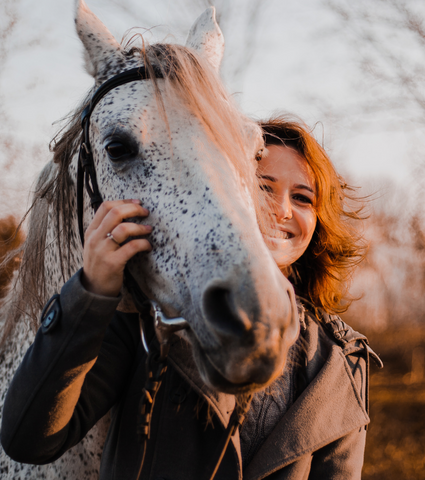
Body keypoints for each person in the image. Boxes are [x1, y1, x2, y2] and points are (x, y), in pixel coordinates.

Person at [1, 115, 381, 479]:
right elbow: (29, 438)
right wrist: (91, 291)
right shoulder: (147, 317)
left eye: (302, 198)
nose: (282, 210)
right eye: (263, 187)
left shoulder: (339, 360)